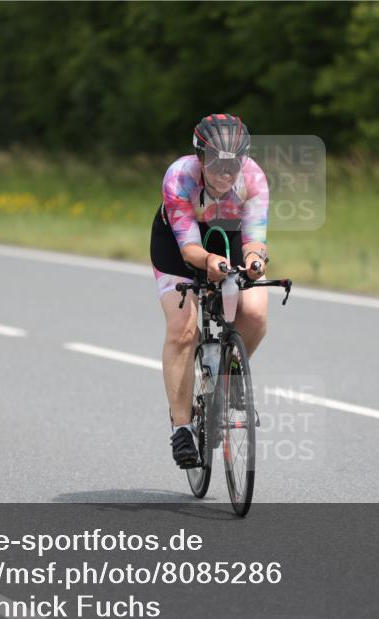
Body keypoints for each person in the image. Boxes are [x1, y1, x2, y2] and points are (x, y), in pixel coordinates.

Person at [149, 114, 270, 468]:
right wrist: (209, 262)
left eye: (234, 162)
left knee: (255, 314)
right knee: (183, 329)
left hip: (230, 238)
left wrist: (255, 261)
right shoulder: (180, 176)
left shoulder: (254, 178)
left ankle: (226, 383)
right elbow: (190, 250)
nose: (225, 171)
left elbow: (255, 240)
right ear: (200, 158)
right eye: (217, 162)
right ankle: (182, 427)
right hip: (179, 246)